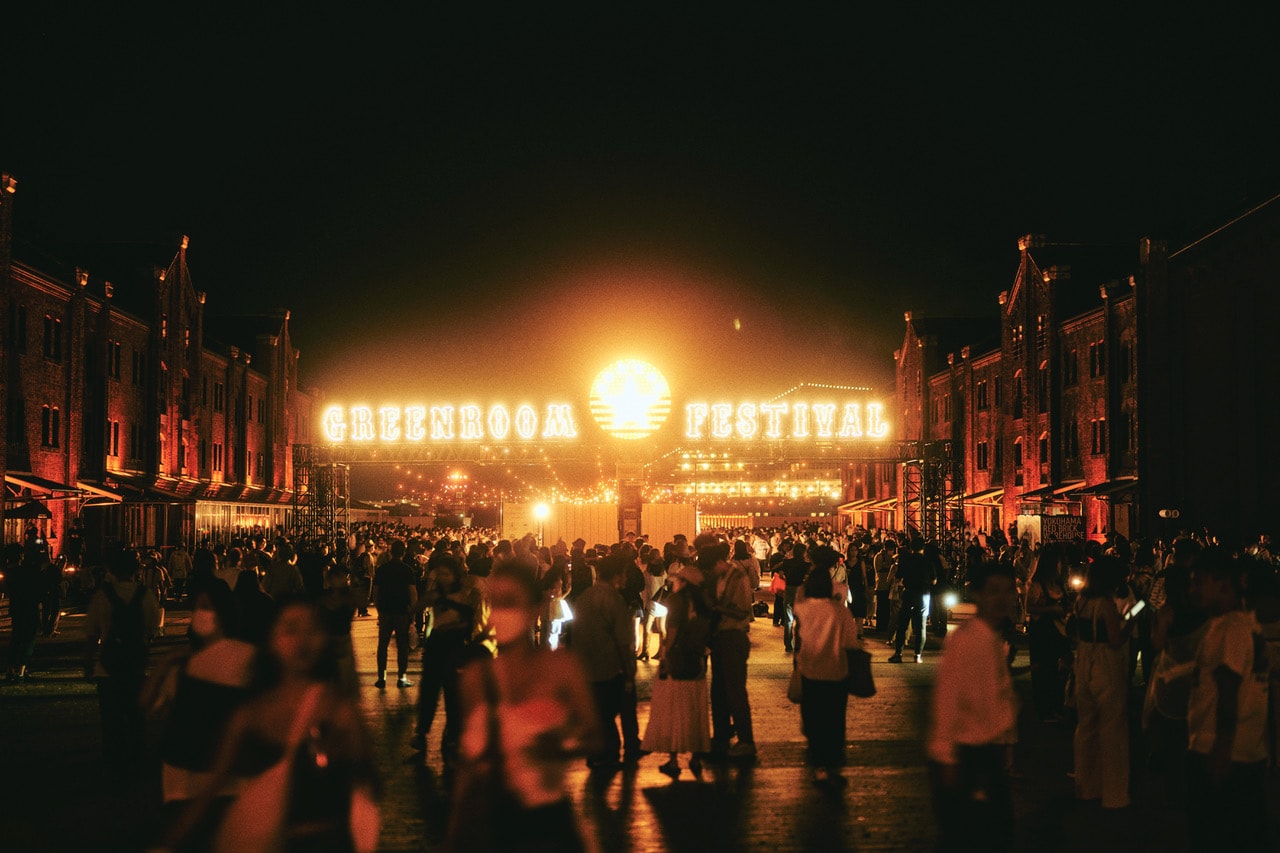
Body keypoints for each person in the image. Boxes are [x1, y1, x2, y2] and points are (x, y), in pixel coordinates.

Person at [166, 598, 379, 853]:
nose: (302, 640)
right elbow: (211, 788)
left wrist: (342, 757)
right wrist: (168, 842)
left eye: (312, 629)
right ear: (271, 639)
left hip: (327, 841)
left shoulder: (337, 710)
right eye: (291, 629)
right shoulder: (250, 714)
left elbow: (368, 780)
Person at [447, 562, 600, 851]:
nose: (501, 612)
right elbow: (467, 769)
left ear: (533, 609)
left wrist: (562, 747)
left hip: (548, 823)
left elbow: (595, 736)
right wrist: (454, 832)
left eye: (510, 602)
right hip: (492, 823)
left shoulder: (562, 668)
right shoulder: (476, 678)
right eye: (495, 603)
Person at [140, 582, 256, 845]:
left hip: (208, 780)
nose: (198, 614)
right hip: (190, 782)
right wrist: (166, 663)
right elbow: (146, 705)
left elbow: (145, 705)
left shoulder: (243, 659)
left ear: (224, 612)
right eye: (196, 607)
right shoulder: (186, 664)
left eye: (205, 606)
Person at [927, 561, 1019, 852]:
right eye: (993, 590)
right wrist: (947, 758)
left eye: (1008, 590)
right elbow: (947, 698)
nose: (1002, 598)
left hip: (983, 749)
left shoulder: (991, 637)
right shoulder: (968, 639)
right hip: (966, 753)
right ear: (977, 594)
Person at [1184, 549, 1270, 849]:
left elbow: (1229, 687)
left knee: (1216, 838)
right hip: (1245, 752)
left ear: (1222, 583)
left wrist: (1220, 750)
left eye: (1198, 582)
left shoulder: (1231, 628)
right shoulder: (1242, 625)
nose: (1192, 590)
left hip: (1220, 753)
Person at [84, 547, 160, 773]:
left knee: (111, 718)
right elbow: (152, 629)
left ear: (112, 569)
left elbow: (92, 634)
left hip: (108, 666)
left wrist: (88, 662)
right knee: (135, 715)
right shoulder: (145, 595)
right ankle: (135, 757)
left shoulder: (102, 596)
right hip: (135, 664)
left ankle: (113, 760)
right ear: (136, 569)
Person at [793, 546, 862, 786]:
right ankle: (833, 764)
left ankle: (819, 763)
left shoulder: (803, 608)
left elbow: (798, 637)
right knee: (835, 719)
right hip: (837, 671)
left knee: (813, 717)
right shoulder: (841, 613)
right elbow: (851, 643)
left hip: (810, 669)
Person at [1071, 556, 1134, 810]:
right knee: (1112, 729)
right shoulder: (1106, 604)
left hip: (1084, 662)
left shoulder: (1081, 601)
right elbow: (1115, 640)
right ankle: (1114, 793)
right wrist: (1130, 622)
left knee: (1086, 728)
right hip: (1105, 664)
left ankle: (1087, 787)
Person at [413, 555, 487, 766]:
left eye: (446, 574)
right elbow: (418, 606)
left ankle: (453, 735)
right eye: (439, 573)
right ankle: (422, 732)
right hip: (437, 644)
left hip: (455, 646)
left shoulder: (466, 594)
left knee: (452, 693)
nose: (442, 577)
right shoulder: (437, 594)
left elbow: (472, 621)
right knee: (429, 690)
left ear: (455, 575)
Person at [642, 562, 712, 779]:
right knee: (695, 708)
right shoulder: (704, 603)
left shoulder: (676, 601)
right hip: (697, 661)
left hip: (677, 660)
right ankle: (696, 756)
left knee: (673, 708)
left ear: (684, 582)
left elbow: (672, 631)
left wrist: (665, 653)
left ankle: (673, 760)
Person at [571, 553, 641, 767]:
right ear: (617, 575)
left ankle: (603, 750)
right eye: (624, 574)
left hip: (588, 666)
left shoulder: (585, 597)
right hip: (611, 666)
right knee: (619, 709)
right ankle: (619, 749)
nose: (626, 578)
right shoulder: (613, 599)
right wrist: (628, 667)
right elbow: (623, 639)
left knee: (599, 712)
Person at [707, 542, 757, 759]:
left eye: (712, 567)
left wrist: (715, 608)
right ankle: (721, 737)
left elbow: (742, 611)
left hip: (733, 636)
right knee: (719, 690)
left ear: (719, 562)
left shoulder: (737, 577)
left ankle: (746, 740)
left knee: (735, 690)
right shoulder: (723, 577)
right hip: (721, 637)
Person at [371, 538, 417, 689]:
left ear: (390, 552)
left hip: (385, 611)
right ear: (403, 553)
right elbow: (412, 593)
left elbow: (375, 593)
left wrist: (379, 609)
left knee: (382, 646)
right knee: (402, 646)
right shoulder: (407, 570)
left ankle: (381, 677)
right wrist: (412, 613)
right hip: (402, 611)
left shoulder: (382, 570)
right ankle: (401, 677)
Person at [889, 539, 934, 663]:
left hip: (909, 593)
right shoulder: (927, 561)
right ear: (923, 548)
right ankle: (917, 655)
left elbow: (898, 577)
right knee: (921, 626)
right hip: (924, 595)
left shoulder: (906, 560)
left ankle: (898, 654)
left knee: (902, 624)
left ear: (911, 548)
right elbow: (934, 580)